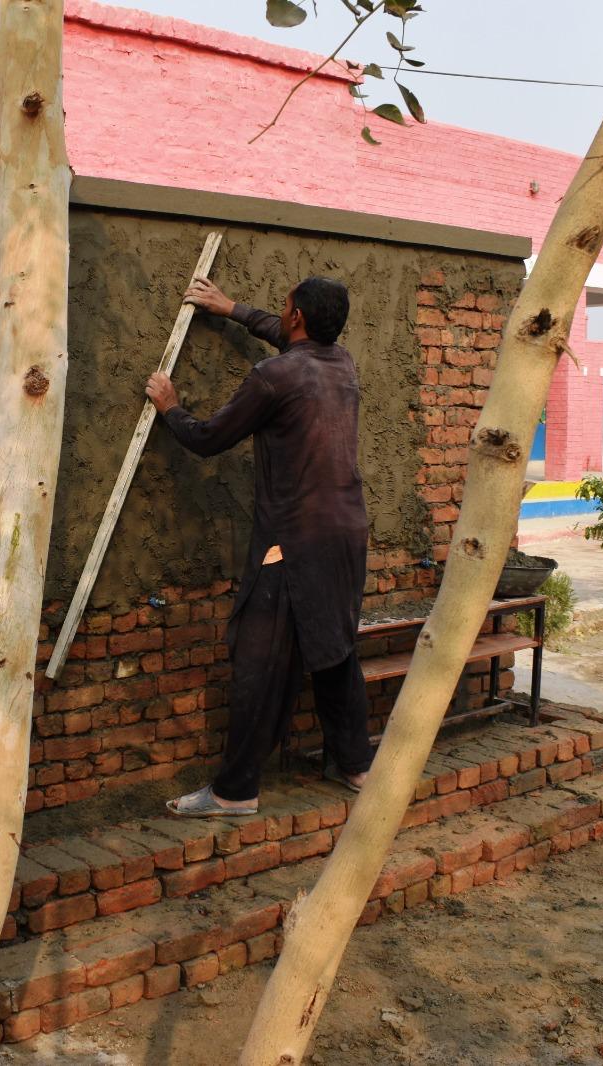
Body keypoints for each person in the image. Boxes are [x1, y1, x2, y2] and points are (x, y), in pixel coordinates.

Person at [146, 275, 374, 816]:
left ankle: (235, 791)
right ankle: (357, 764)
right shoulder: (342, 363)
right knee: (335, 649)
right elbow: (285, 336)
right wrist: (232, 309)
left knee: (259, 661)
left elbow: (208, 438)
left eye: (285, 305)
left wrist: (171, 407)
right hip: (347, 532)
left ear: (296, 318)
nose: (281, 311)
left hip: (293, 541)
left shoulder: (273, 377)